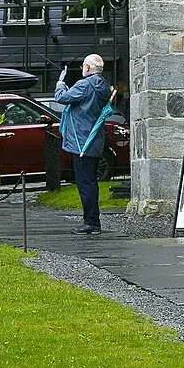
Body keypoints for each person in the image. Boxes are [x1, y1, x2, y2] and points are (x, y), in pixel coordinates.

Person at [53, 53, 112, 236]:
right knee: (91, 182)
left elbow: (62, 98)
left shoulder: (85, 84)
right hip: (93, 140)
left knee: (85, 182)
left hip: (82, 142)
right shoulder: (103, 85)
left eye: (82, 67)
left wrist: (60, 85)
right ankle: (93, 220)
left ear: (86, 67)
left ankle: (91, 222)